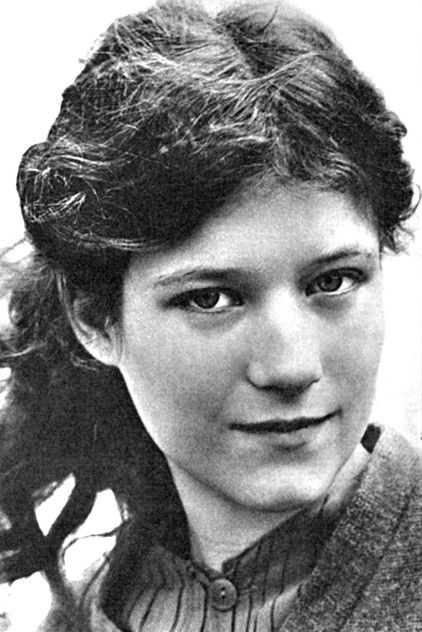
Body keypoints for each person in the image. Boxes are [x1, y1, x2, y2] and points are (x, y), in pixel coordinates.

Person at [0, 0, 420, 630]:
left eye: (333, 282)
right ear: (96, 320)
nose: (290, 367)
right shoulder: (84, 611)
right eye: (211, 298)